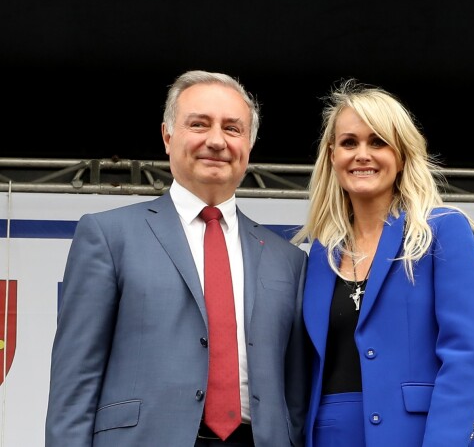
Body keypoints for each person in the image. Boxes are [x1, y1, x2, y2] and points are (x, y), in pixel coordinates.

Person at [45, 70, 309, 447]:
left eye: (233, 129)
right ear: (167, 135)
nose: (216, 141)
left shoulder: (289, 259)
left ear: (249, 144)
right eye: (199, 124)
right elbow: (75, 380)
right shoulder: (108, 236)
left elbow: (296, 395)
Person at [292, 79, 474, 446]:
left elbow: (465, 357)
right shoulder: (320, 253)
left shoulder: (442, 232)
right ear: (332, 155)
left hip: (421, 435)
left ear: (400, 156)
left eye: (378, 142)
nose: (362, 154)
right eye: (349, 143)